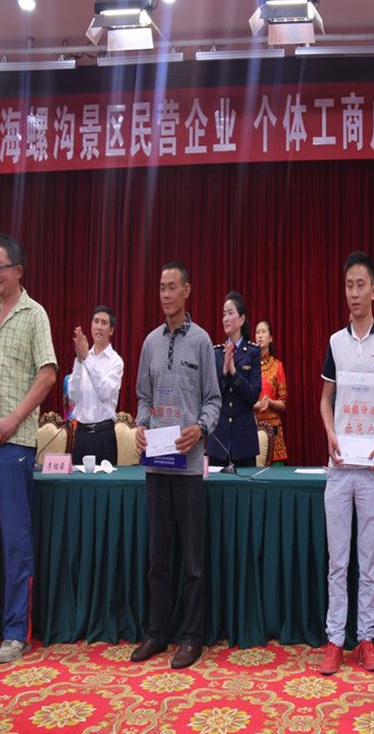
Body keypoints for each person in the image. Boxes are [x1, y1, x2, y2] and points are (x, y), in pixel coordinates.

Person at [131, 262, 221, 670]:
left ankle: (191, 637)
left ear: (187, 290)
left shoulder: (201, 341)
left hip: (188, 466)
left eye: (172, 287)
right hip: (156, 465)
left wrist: (200, 428)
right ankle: (156, 633)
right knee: (158, 558)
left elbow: (213, 400)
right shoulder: (149, 343)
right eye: (161, 287)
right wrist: (140, 425)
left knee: (193, 561)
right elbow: (143, 398)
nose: (165, 294)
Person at [318, 251, 374, 675]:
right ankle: (336, 639)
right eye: (349, 285)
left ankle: (365, 638)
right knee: (338, 562)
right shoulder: (336, 342)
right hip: (339, 467)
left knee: (366, 562)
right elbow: (325, 400)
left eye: (360, 285)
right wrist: (330, 432)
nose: (354, 293)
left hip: (370, 468)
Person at [0, 234, 57, 663]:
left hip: (14, 444)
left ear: (18, 270)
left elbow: (48, 373)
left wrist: (14, 418)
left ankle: (15, 631)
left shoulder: (35, 315)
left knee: (15, 542)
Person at [207, 292, 262, 469]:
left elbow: (253, 395)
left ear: (241, 319)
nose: (225, 318)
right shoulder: (216, 353)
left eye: (230, 313)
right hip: (219, 440)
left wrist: (234, 372)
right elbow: (211, 396)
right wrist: (224, 372)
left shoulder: (253, 352)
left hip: (243, 441)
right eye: (224, 314)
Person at [68, 306, 124, 466]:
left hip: (103, 436)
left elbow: (105, 392)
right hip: (81, 435)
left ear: (111, 330)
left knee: (104, 481)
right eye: (96, 321)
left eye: (104, 323)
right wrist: (79, 361)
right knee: (78, 481)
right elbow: (73, 396)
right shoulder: (83, 358)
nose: (99, 327)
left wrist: (87, 358)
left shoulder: (116, 361)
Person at [254, 320, 288, 465]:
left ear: (271, 338)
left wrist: (270, 402)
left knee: (275, 474)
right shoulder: (249, 366)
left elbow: (283, 404)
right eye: (257, 332)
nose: (260, 336)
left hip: (274, 430)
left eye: (263, 332)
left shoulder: (277, 366)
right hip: (253, 426)